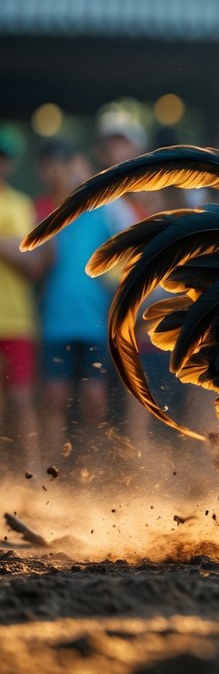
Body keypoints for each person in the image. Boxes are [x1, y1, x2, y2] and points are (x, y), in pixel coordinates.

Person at [32, 144, 122, 467]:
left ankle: (94, 475)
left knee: (94, 402)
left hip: (94, 322)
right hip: (56, 321)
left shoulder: (105, 214)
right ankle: (51, 472)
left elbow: (120, 265)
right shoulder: (45, 213)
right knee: (54, 398)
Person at [0, 136, 40, 471]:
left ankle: (32, 470)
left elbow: (32, 262)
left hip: (16, 320)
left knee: (21, 399)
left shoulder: (20, 204)